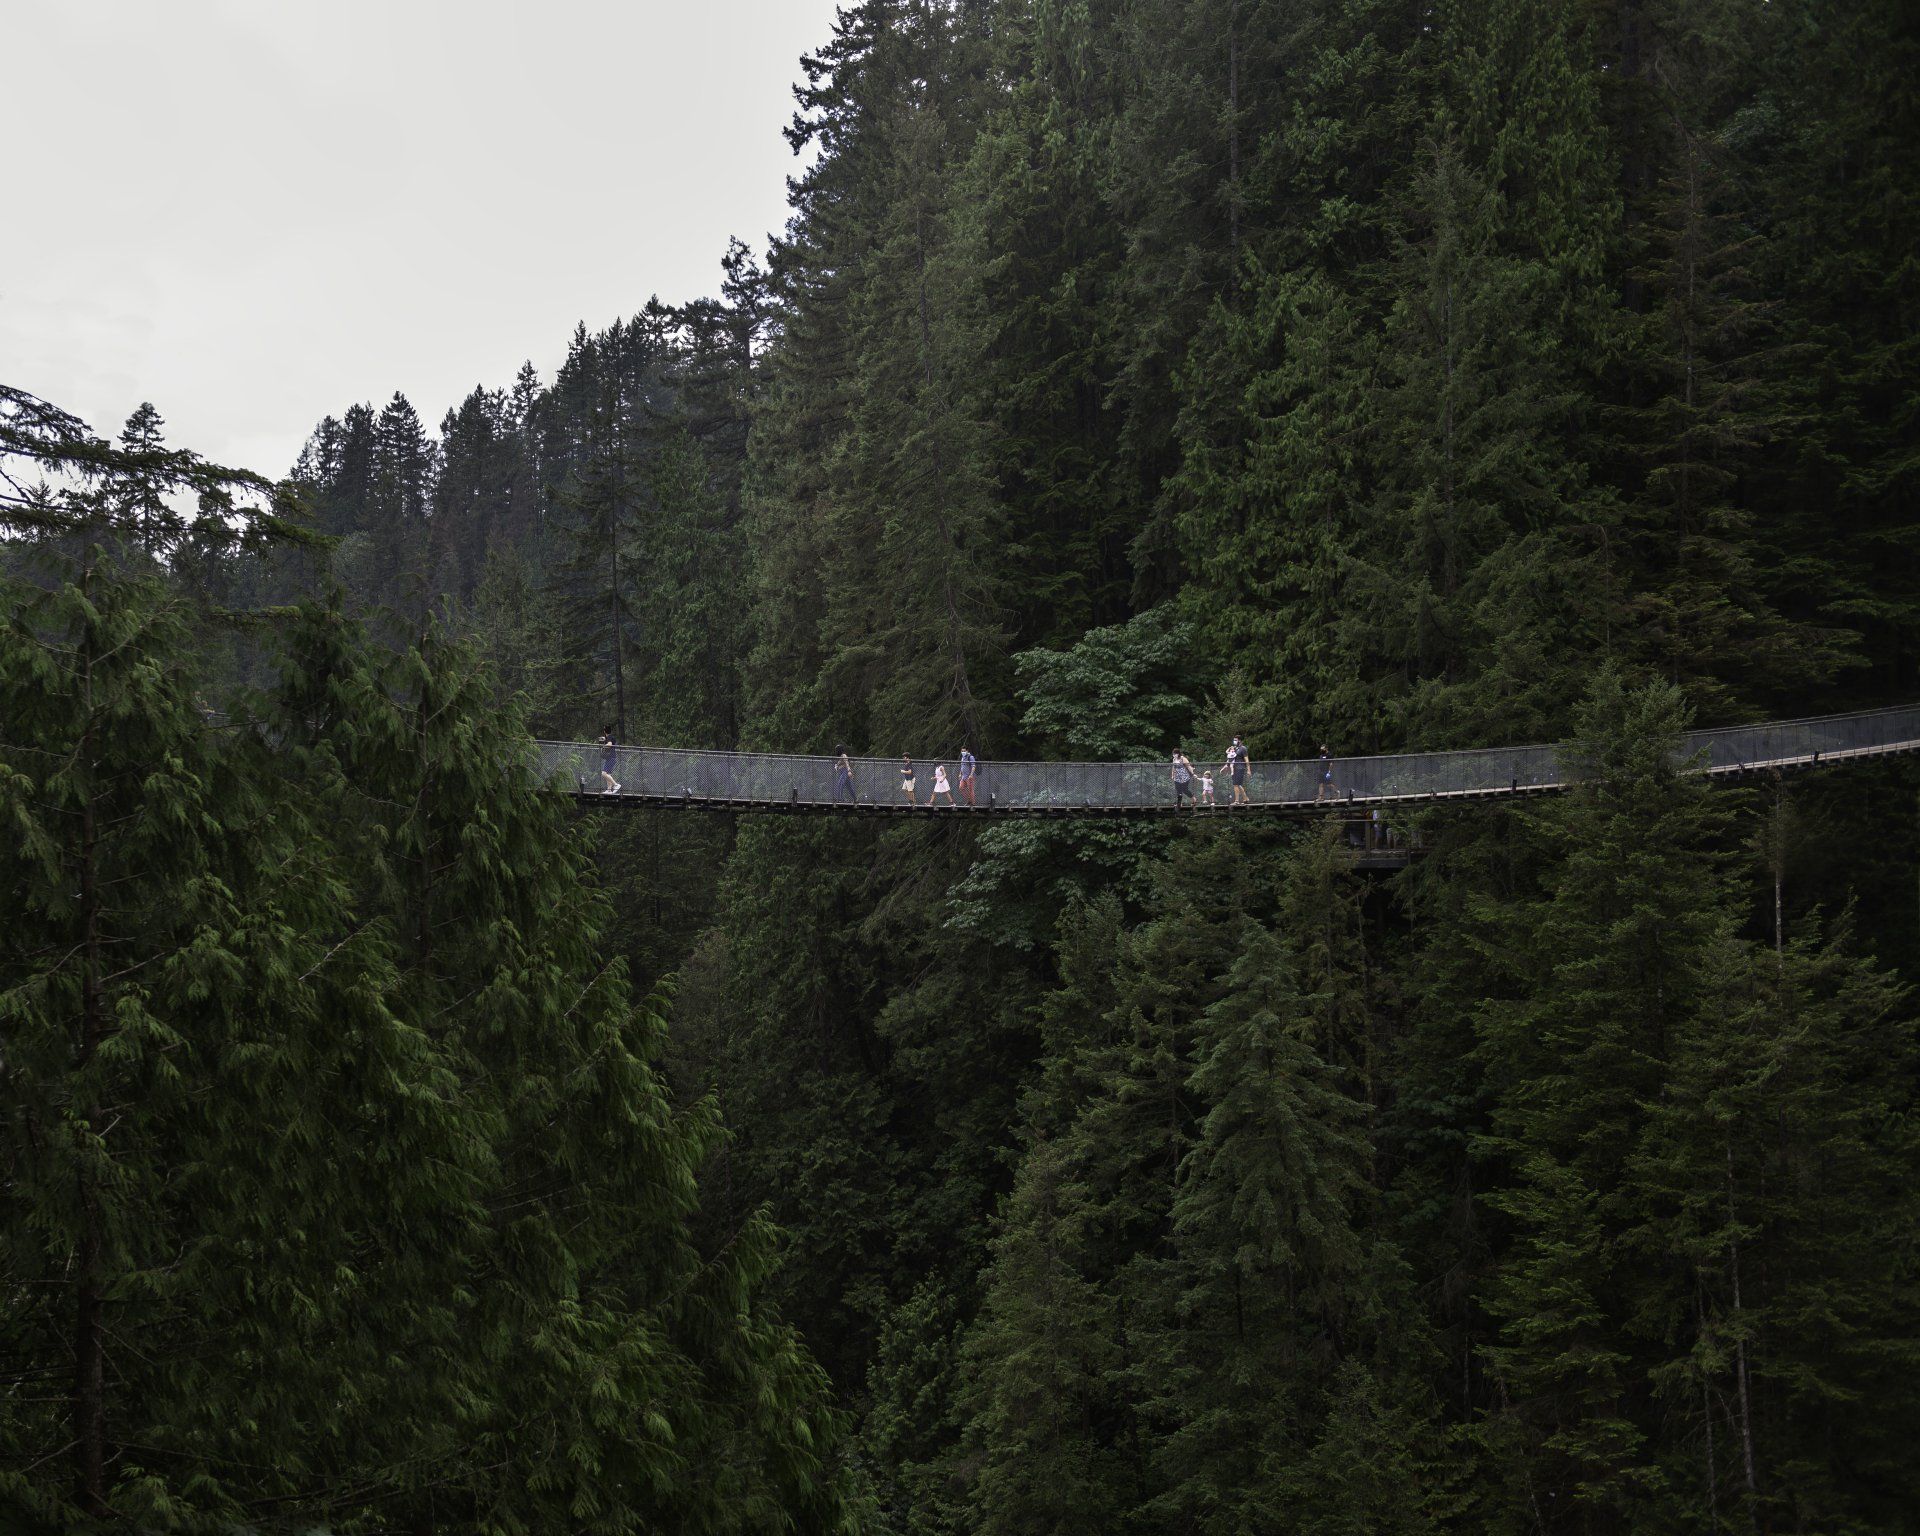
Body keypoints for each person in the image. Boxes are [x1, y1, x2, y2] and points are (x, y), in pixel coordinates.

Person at [1223, 734, 1251, 806]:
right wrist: (1226, 766)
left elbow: (1246, 760)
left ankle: (1236, 801)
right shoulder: (1235, 749)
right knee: (1238, 784)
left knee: (1235, 784)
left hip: (1240, 767)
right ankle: (1245, 799)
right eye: (1234, 740)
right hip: (1234, 768)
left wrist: (1248, 770)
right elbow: (1230, 758)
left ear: (1239, 741)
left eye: (1235, 740)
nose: (1234, 741)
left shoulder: (1243, 748)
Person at [597, 728, 621, 794]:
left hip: (611, 758)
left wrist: (603, 746)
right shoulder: (610, 737)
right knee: (608, 774)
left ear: (604, 731)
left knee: (604, 774)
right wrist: (604, 740)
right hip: (611, 758)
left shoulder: (609, 737)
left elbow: (610, 744)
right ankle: (609, 790)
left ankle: (616, 785)